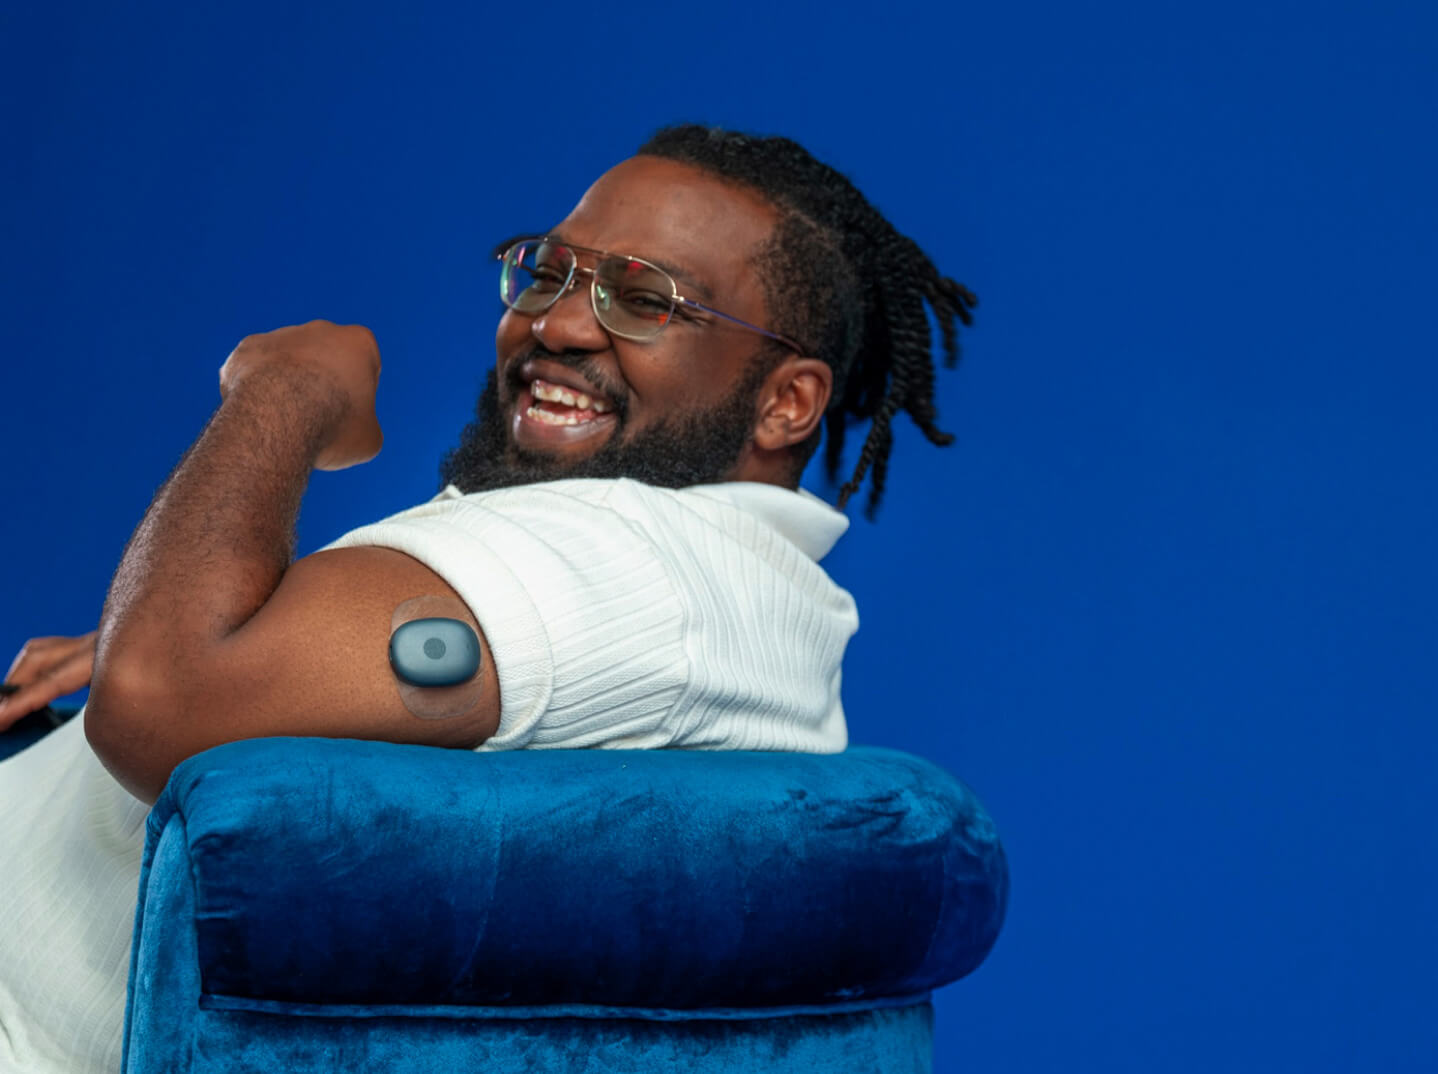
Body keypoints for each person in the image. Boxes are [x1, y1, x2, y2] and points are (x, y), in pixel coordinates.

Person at [0, 125, 977, 1073]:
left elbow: (162, 701)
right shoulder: (698, 584)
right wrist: (230, 619)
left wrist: (284, 387)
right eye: (546, 272)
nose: (554, 324)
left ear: (786, 402)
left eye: (643, 300)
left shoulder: (626, 569)